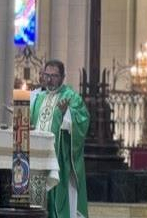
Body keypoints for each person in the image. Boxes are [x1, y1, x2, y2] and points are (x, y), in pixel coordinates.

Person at [29, 60, 90, 218]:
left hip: (60, 160)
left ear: (63, 77)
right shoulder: (37, 98)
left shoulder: (71, 97)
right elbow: (30, 123)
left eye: (54, 76)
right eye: (46, 75)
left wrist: (67, 113)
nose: (49, 79)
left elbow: (83, 120)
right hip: (37, 161)